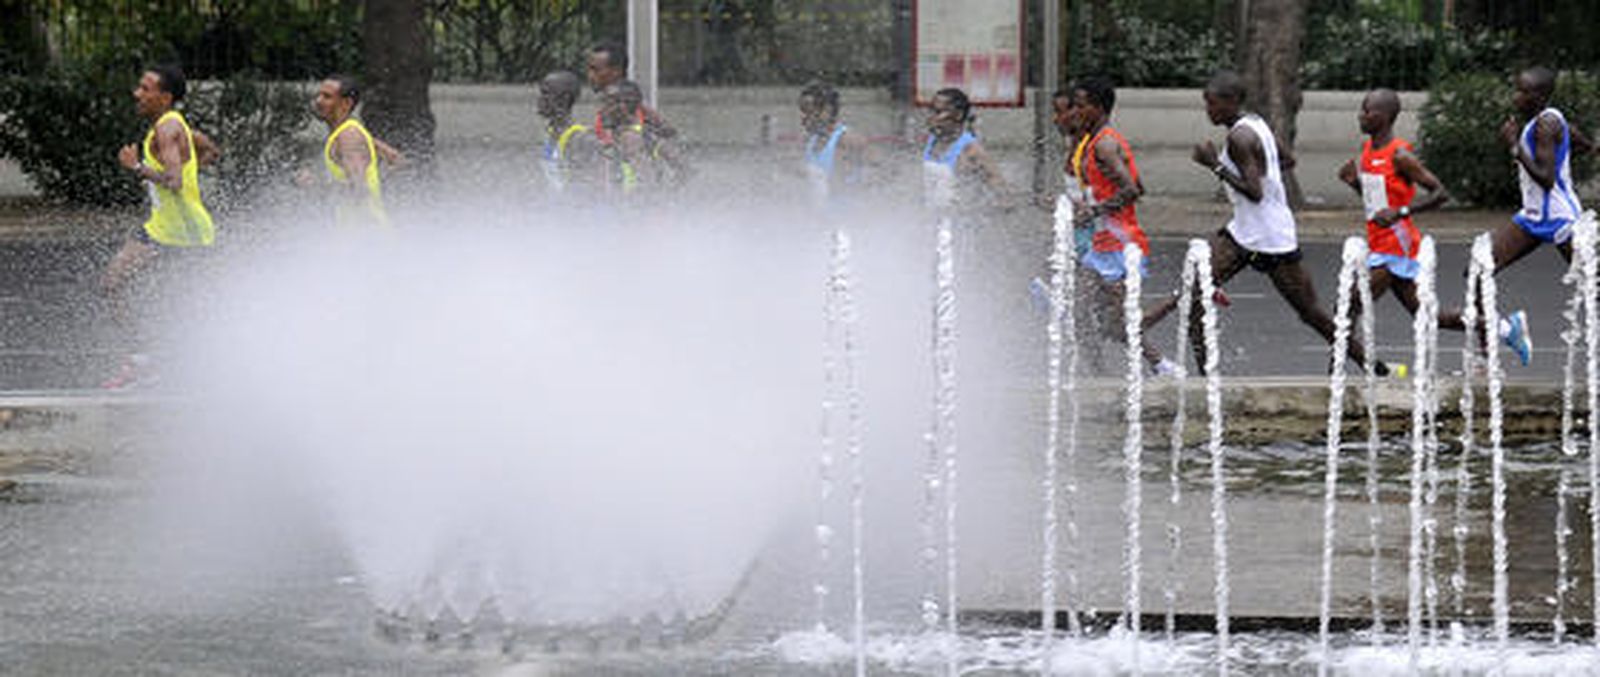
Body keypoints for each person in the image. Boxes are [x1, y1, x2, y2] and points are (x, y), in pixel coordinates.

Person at [1180, 70, 1385, 376]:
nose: (1208, 111)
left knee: (1310, 312)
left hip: (1269, 237)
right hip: (1247, 232)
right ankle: (1208, 380)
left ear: (1232, 101)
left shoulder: (1239, 137)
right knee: (1195, 292)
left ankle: (1374, 367)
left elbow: (1255, 192)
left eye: (1212, 104)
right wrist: (1262, 166)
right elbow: (1287, 160)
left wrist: (1216, 166)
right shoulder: (1256, 123)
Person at [99, 64, 219, 388]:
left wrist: (136, 166)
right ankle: (150, 360)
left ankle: (156, 363)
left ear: (165, 97)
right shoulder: (175, 125)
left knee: (126, 287)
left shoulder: (166, 130)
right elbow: (211, 150)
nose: (137, 93)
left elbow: (174, 181)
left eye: (145, 89)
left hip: (182, 233)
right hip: (164, 227)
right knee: (117, 284)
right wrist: (192, 163)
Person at [1059, 77, 1177, 375]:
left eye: (1080, 107)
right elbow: (1136, 183)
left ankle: (1161, 365)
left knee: (1110, 322)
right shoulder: (1095, 142)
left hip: (1120, 246)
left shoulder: (1106, 145)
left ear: (1098, 108)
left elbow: (1133, 190)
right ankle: (1106, 374)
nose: (1075, 113)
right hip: (1103, 244)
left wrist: (1096, 209)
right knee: (1084, 314)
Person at [311, 74, 400, 227]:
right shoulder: (351, 132)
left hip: (366, 237)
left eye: (327, 97)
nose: (318, 101)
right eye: (318, 95)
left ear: (346, 103)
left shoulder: (349, 137)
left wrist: (316, 184)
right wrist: (377, 179)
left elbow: (359, 190)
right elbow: (396, 159)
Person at [921, 88, 1011, 217]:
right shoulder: (930, 142)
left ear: (958, 115)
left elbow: (1002, 192)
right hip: (931, 221)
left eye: (938, 112)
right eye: (930, 111)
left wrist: (986, 210)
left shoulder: (972, 151)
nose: (931, 117)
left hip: (958, 226)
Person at [797, 80, 869, 206]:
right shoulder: (810, 141)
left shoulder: (849, 140)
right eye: (802, 111)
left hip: (848, 220)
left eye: (808, 112)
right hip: (819, 220)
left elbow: (881, 174)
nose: (803, 118)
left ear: (826, 111)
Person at [536, 70, 598, 196]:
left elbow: (586, 185)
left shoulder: (580, 138)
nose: (540, 100)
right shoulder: (549, 134)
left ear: (565, 98)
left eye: (546, 94)